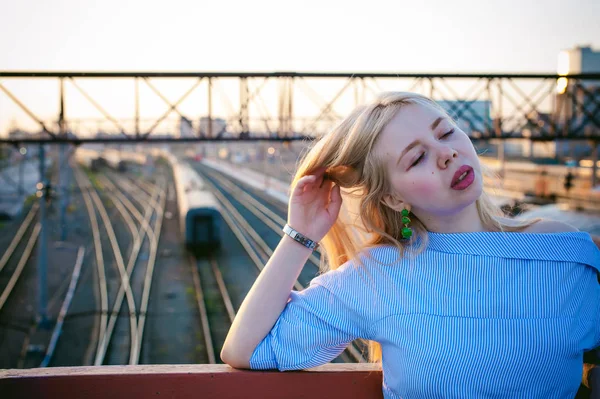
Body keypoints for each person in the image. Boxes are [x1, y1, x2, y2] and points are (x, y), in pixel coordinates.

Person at [221, 92, 600, 398]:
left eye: (446, 133)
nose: (446, 152)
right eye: (418, 157)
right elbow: (245, 351)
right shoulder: (378, 275)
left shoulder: (563, 250)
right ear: (393, 199)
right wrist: (299, 234)